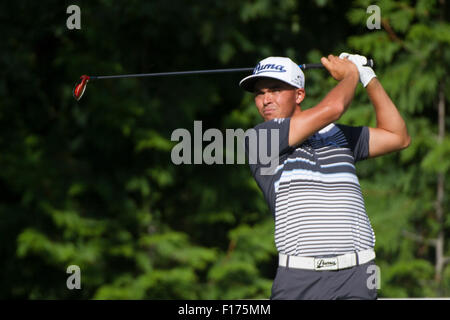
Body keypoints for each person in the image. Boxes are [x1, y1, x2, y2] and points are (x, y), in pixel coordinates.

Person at [240, 54, 410, 300]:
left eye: (275, 89)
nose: (266, 99)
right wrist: (350, 74)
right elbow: (334, 108)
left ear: (299, 95)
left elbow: (398, 136)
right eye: (259, 93)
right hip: (300, 278)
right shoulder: (260, 139)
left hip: (358, 275)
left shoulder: (336, 135)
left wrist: (367, 77)